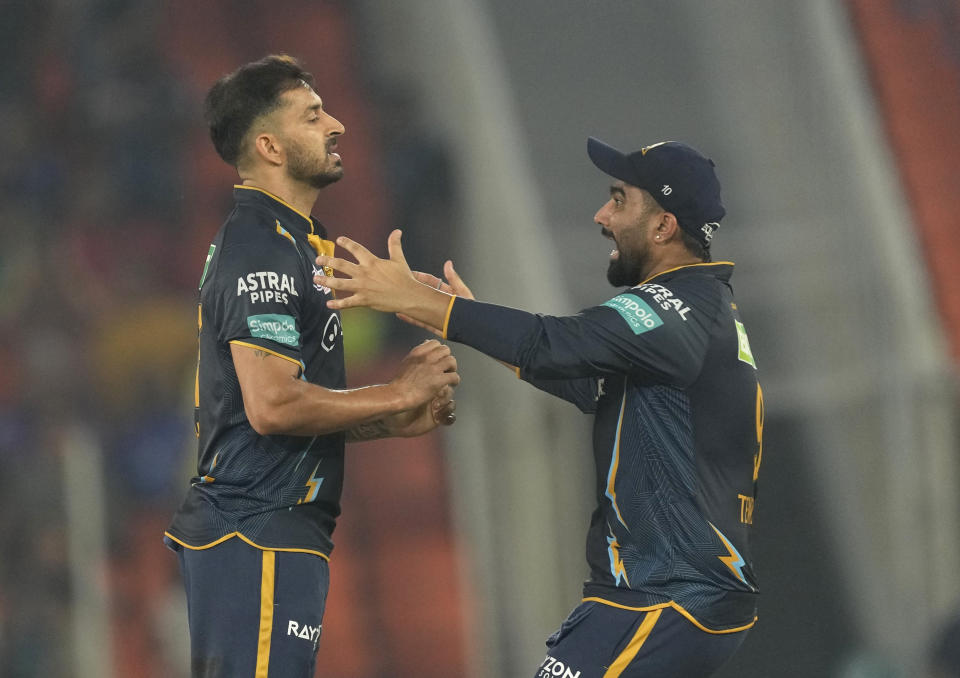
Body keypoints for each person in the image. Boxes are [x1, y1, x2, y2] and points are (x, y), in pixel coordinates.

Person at [314, 138, 762, 677]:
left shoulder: (674, 308)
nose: (601, 214)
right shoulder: (697, 314)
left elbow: (555, 344)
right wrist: (454, 316)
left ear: (664, 226)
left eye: (619, 200)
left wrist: (418, 300)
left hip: (667, 594)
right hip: (667, 595)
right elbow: (583, 381)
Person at [164, 55, 460, 678]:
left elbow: (268, 417)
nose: (338, 125)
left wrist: (393, 420)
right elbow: (273, 406)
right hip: (255, 532)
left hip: (274, 534)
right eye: (313, 114)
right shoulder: (259, 246)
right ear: (269, 145)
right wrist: (394, 392)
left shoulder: (298, 242)